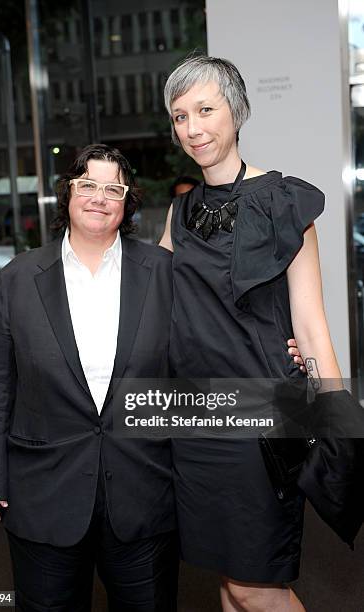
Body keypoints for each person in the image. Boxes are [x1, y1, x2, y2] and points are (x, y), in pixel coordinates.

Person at [160, 55, 343, 611]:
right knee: (227, 577)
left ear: (236, 113)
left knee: (253, 583)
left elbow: (311, 324)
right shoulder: (180, 211)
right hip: (198, 420)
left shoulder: (285, 202)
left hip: (265, 417)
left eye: (206, 110)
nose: (193, 128)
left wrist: (340, 423)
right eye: (180, 116)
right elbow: (159, 312)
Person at [0, 144, 178, 612]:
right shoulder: (18, 278)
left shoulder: (165, 274)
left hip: (143, 491)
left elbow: (196, 366)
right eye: (88, 185)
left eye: (112, 188)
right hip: (44, 492)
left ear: (127, 200)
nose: (99, 198)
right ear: (68, 194)